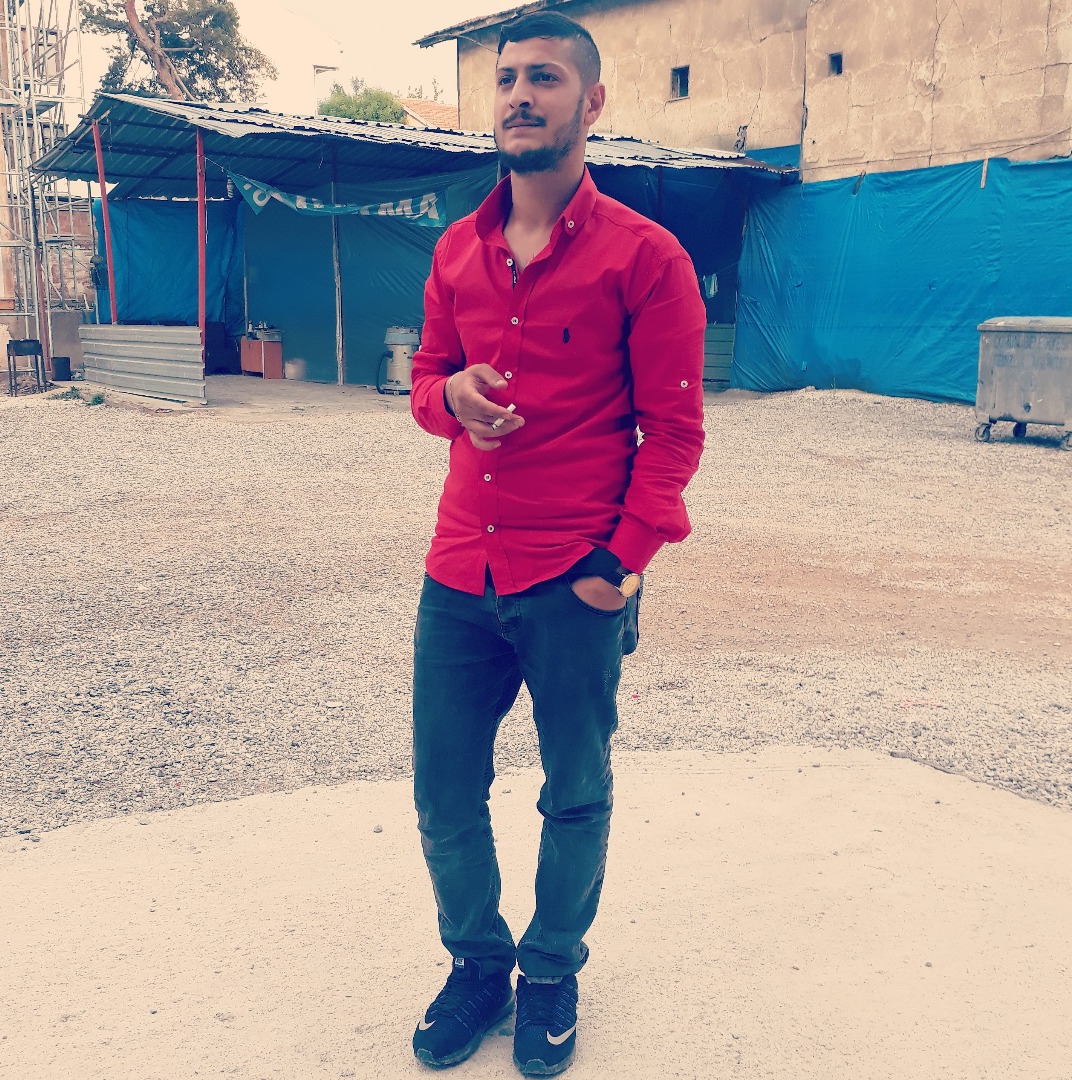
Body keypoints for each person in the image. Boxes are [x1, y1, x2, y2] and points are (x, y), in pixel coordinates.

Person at [408, 11, 706, 1076]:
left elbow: (674, 431)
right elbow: (423, 385)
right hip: (459, 572)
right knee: (444, 793)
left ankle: (549, 973)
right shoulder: (456, 250)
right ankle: (478, 964)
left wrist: (620, 564)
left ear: (592, 103)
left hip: (573, 576)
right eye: (506, 80)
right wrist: (450, 394)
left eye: (543, 77)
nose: (519, 96)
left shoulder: (647, 257)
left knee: (574, 791)